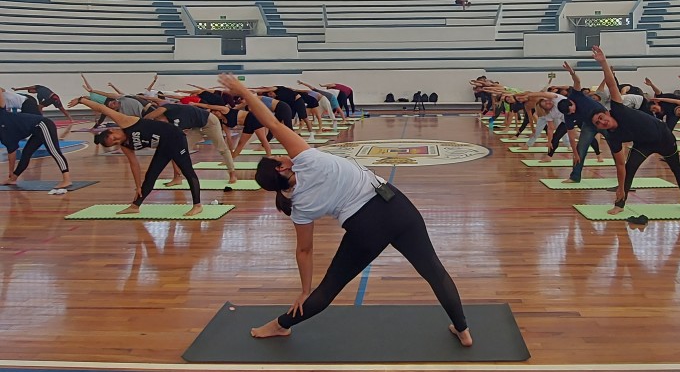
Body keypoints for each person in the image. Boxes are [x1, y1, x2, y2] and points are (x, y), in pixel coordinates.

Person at [216, 74, 472, 347]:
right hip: (396, 206)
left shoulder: (298, 205)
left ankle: (280, 326)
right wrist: (242, 89)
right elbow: (271, 121)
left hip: (365, 228)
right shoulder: (305, 159)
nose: (283, 154)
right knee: (435, 271)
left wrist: (305, 291)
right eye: (278, 157)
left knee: (327, 290)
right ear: (281, 167)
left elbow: (304, 250)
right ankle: (463, 331)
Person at [589, 46, 680, 215]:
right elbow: (620, 165)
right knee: (629, 169)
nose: (602, 122)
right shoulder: (613, 137)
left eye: (602, 117)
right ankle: (620, 204)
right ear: (599, 128)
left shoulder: (618, 109)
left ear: (607, 113)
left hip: (664, 138)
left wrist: (603, 63)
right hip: (642, 144)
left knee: (677, 169)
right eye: (598, 123)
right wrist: (621, 188)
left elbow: (611, 84)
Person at [71, 96, 202, 216]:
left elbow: (102, 109)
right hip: (164, 146)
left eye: (115, 139)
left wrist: (82, 100)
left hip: (175, 137)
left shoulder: (126, 122)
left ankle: (197, 205)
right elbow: (134, 164)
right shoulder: (125, 145)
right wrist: (138, 186)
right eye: (115, 143)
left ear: (112, 130)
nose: (118, 142)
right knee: (150, 176)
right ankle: (135, 206)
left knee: (187, 170)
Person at [144, 102, 237, 184]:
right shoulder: (169, 124)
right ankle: (177, 178)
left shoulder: (168, 108)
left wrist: (142, 122)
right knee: (178, 151)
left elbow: (150, 116)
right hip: (196, 128)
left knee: (222, 149)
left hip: (210, 122)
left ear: (159, 115)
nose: (161, 123)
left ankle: (232, 174)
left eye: (158, 119)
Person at [0, 90, 72, 189]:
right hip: (36, 130)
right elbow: (11, 153)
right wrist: (10, 173)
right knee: (26, 152)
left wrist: (10, 172)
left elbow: (1, 98)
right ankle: (13, 179)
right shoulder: (4, 136)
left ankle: (67, 180)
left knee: (54, 150)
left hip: (43, 124)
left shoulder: (2, 114)